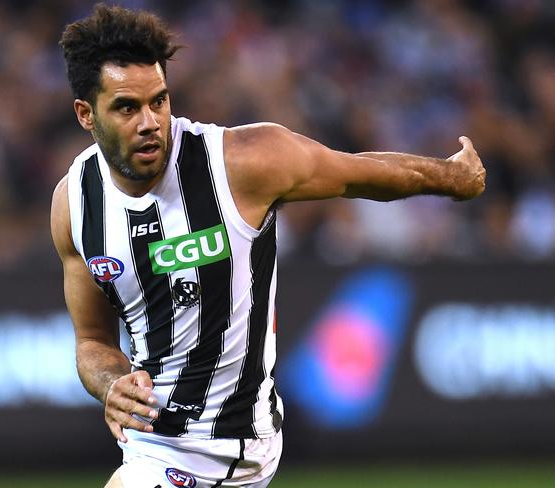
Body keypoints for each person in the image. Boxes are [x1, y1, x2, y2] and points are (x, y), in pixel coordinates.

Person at [51, 4, 485, 487]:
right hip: (150, 445)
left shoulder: (240, 164)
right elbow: (92, 342)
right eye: (127, 108)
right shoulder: (75, 204)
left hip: (228, 447)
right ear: (86, 114)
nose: (151, 122)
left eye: (159, 101)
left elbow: (359, 174)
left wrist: (451, 177)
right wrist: (112, 383)